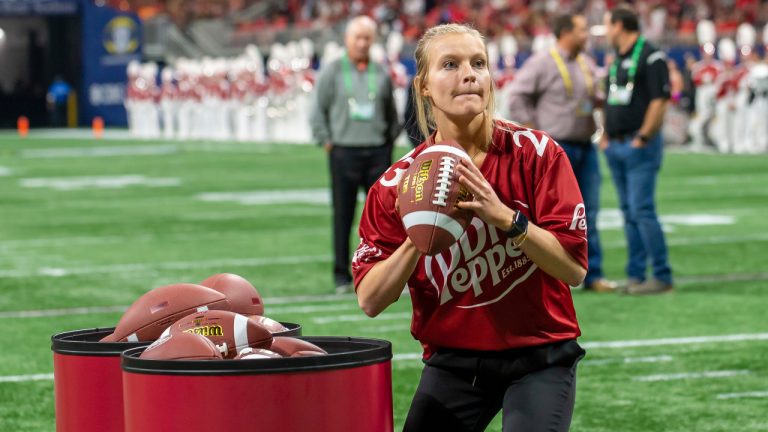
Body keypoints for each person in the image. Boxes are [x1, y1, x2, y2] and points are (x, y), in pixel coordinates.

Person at [353, 23, 587, 431]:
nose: (469, 74)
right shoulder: (396, 185)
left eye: (478, 63)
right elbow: (371, 300)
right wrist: (420, 234)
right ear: (424, 85)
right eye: (451, 64)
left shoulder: (537, 154)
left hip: (540, 355)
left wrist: (508, 220)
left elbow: (574, 269)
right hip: (454, 361)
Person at [508, 13, 617, 293]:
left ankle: (593, 274)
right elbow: (517, 95)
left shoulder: (586, 62)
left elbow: (597, 96)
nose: (587, 35)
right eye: (582, 30)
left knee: (588, 212)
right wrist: (532, 132)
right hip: (556, 151)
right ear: (565, 33)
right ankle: (548, 276)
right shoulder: (542, 62)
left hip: (584, 145)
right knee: (548, 216)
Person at [310, 15, 401, 294]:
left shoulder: (381, 72)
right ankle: (341, 276)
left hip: (377, 152)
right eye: (357, 38)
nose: (362, 43)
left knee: (386, 216)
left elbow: (391, 115)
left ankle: (390, 273)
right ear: (347, 40)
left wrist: (387, 144)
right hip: (343, 151)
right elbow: (317, 109)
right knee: (343, 215)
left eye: (367, 39)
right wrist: (326, 141)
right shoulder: (333, 70)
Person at [601, 5, 673, 294]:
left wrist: (643, 137)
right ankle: (636, 275)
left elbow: (660, 100)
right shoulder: (617, 59)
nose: (605, 32)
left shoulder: (651, 55)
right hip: (616, 144)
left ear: (619, 26)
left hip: (638, 144)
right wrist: (605, 135)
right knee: (629, 212)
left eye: (607, 26)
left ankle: (661, 275)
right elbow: (611, 100)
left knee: (642, 210)